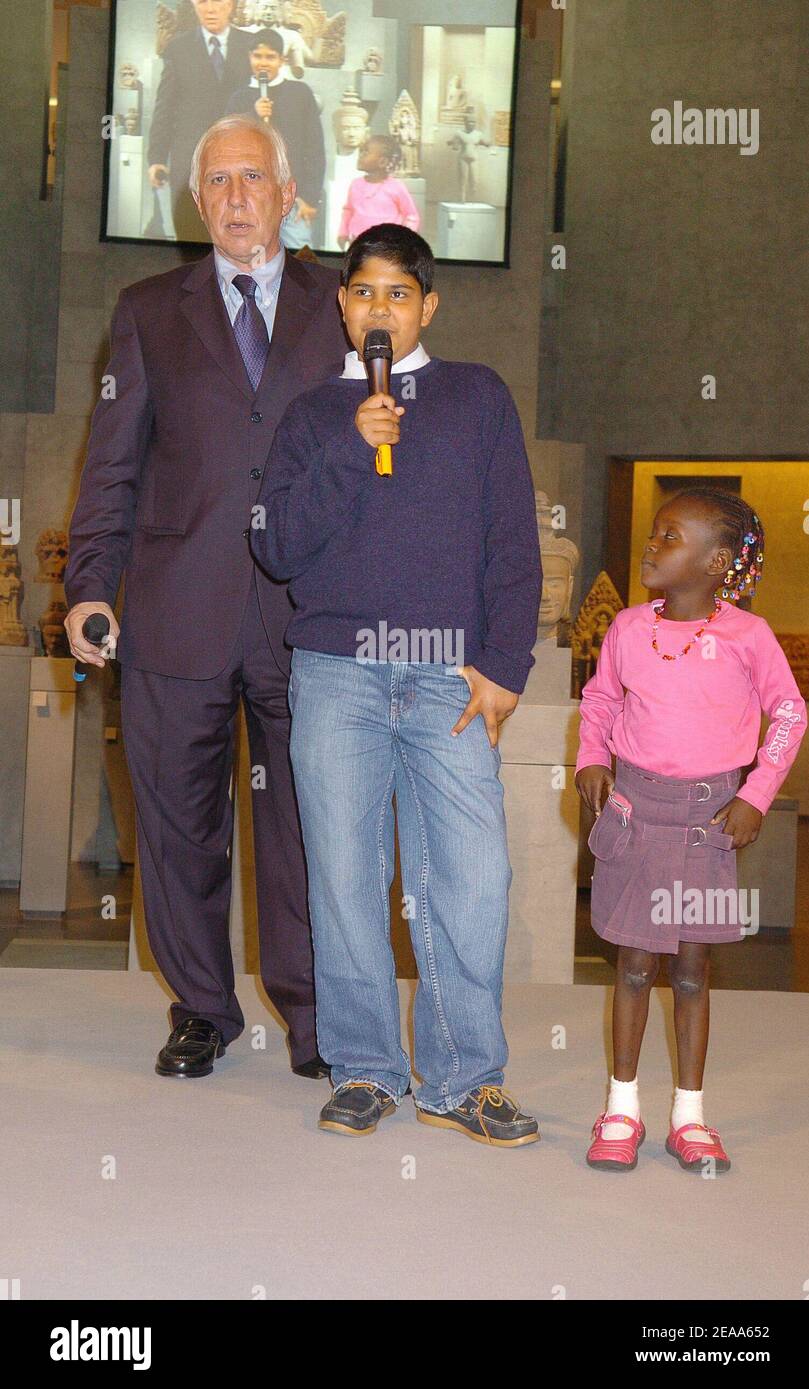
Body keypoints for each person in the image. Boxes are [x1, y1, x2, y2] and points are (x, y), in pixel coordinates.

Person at [64, 116, 349, 1082]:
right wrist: (88, 589)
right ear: (197, 201)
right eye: (217, 182)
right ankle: (202, 1009)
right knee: (178, 824)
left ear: (289, 192)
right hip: (176, 615)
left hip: (311, 616)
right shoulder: (148, 309)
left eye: (252, 179)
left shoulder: (344, 302)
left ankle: (316, 1015)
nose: (235, 198)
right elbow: (111, 469)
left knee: (309, 823)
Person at [250, 224, 543, 1145]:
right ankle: (366, 1068)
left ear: (428, 306)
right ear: (342, 305)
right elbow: (278, 546)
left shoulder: (477, 398)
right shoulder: (309, 417)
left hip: (448, 673)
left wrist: (504, 667)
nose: (381, 309)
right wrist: (351, 442)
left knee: (473, 877)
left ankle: (464, 1077)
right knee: (343, 878)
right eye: (365, 292)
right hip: (337, 675)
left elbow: (513, 543)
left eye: (400, 294)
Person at [575, 488, 807, 1173]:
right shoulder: (626, 629)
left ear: (714, 562)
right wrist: (592, 758)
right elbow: (600, 699)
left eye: (669, 536)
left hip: (709, 824)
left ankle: (689, 1115)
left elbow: (789, 715)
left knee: (693, 972)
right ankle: (621, 1108)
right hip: (637, 817)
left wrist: (757, 794)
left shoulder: (748, 637)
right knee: (635, 966)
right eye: (652, 533)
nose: (651, 545)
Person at [147, 0, 255, 241]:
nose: (210, 8)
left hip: (239, 156)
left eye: (218, 1)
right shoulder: (178, 48)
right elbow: (165, 106)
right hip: (189, 157)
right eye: (203, 1)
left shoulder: (251, 45)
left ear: (231, 4)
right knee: (189, 234)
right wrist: (156, 158)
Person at [224, 28, 325, 250]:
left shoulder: (300, 93)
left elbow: (315, 148)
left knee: (300, 265)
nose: (263, 63)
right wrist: (253, 115)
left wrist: (309, 197)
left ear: (282, 60)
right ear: (249, 57)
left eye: (270, 57)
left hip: (294, 200)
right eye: (257, 56)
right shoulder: (239, 99)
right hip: (251, 200)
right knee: (252, 260)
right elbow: (228, 147)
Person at [337, 135, 420, 250]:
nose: (360, 156)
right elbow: (348, 210)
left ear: (382, 161)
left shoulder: (395, 187)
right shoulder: (356, 184)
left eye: (366, 152)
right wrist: (343, 232)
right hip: (357, 244)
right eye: (361, 151)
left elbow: (411, 215)